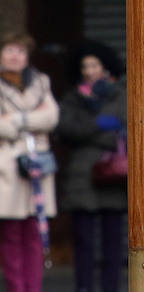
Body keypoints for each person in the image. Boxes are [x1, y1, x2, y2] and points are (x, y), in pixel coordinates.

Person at [55, 42, 127, 292]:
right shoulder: (72, 97)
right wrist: (101, 124)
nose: (88, 71)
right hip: (81, 179)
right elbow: (65, 129)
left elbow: (125, 124)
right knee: (83, 241)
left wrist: (88, 129)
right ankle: (83, 288)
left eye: (94, 65)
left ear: (106, 68)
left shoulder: (121, 92)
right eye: (85, 66)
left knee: (112, 241)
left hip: (112, 175)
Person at [0, 32, 59, 292]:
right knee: (10, 234)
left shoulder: (40, 81)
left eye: (21, 51)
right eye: (10, 50)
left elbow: (52, 117)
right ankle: (17, 287)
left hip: (37, 167)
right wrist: (29, 120)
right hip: (7, 167)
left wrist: (17, 120)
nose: (15, 56)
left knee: (35, 234)